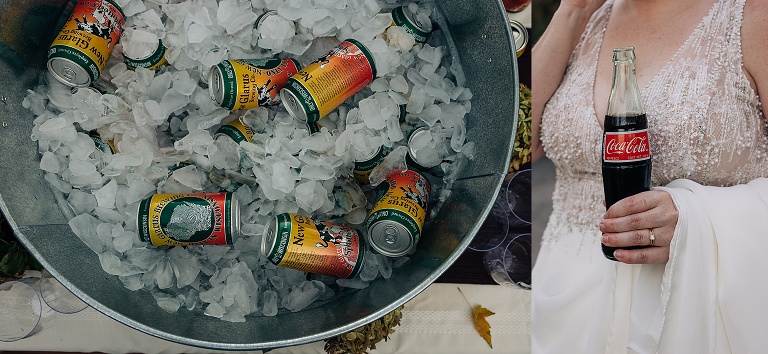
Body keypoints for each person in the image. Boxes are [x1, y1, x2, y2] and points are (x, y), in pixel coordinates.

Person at [531, 0, 768, 352]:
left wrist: (695, 216)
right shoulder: (584, 17)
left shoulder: (754, 16)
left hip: (690, 308)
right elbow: (520, 144)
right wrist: (572, 12)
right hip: (561, 304)